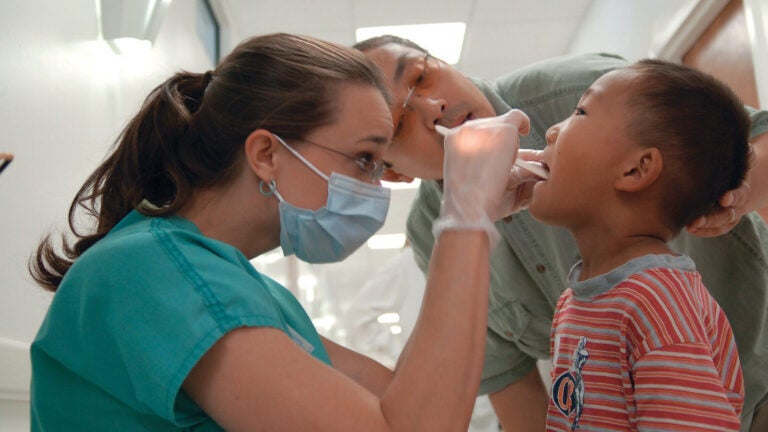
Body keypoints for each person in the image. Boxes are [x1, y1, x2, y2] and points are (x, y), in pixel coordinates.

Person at [28, 33, 535, 431]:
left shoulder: (248, 291)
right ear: (267, 155)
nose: (374, 186)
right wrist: (464, 217)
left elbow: (416, 397)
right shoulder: (151, 271)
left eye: (378, 164)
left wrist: (481, 218)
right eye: (364, 158)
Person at [355, 35, 768, 431]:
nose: (433, 107)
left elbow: (736, 142)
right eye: (401, 121)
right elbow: (517, 390)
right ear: (393, 171)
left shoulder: (657, 303)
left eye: (422, 76)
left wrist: (733, 192)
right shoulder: (571, 299)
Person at [529, 59, 748, 431]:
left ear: (636, 169)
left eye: (580, 112)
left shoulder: (657, 300)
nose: (551, 131)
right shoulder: (577, 300)